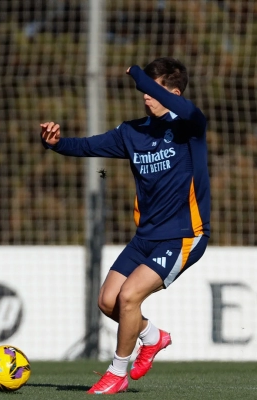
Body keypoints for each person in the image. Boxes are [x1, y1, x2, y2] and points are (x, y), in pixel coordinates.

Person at [41, 57, 209, 394]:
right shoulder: (131, 132)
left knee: (129, 297)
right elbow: (88, 146)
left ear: (175, 93)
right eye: (145, 89)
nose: (146, 96)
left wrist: (136, 74)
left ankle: (117, 373)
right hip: (144, 238)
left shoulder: (190, 125)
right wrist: (55, 143)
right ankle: (152, 336)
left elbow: (178, 105)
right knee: (108, 301)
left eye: (155, 89)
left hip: (183, 237)